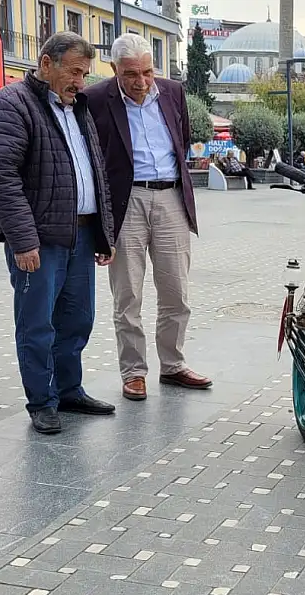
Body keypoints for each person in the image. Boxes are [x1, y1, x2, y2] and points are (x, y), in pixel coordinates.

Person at [0, 32, 117, 434]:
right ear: (46, 63)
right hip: (39, 240)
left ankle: (69, 390)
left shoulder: (78, 108)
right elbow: (1, 178)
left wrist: (104, 233)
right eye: (74, 71)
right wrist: (23, 241)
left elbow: (95, 172)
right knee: (37, 324)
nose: (80, 81)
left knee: (78, 319)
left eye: (85, 74)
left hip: (81, 235)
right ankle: (42, 401)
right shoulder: (10, 104)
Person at [84, 32, 211, 401]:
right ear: (114, 69)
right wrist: (100, 225)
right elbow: (93, 157)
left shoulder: (173, 92)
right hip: (127, 202)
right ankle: (134, 372)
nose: (141, 82)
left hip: (171, 197)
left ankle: (173, 365)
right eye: (130, 74)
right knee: (128, 295)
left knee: (176, 292)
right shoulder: (95, 98)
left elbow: (181, 140)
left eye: (147, 72)